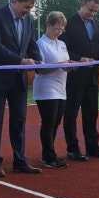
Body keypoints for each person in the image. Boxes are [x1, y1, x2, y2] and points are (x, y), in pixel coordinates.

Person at [0, 0, 42, 177]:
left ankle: (20, 160)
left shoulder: (29, 20)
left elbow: (31, 42)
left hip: (19, 79)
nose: (28, 12)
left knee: (19, 121)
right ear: (14, 1)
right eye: (26, 7)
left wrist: (39, 61)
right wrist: (20, 61)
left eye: (31, 8)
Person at [60, 0, 99, 161]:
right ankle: (72, 149)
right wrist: (79, 59)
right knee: (71, 114)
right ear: (83, 4)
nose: (92, 14)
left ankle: (93, 147)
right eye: (90, 10)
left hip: (92, 78)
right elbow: (62, 49)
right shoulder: (68, 23)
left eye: (96, 11)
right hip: (74, 77)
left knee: (91, 113)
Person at [33, 11, 75, 169]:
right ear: (48, 25)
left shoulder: (62, 44)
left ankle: (47, 153)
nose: (59, 32)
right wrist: (61, 65)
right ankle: (49, 156)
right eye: (57, 28)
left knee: (56, 122)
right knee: (49, 123)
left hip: (61, 88)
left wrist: (72, 66)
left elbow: (64, 65)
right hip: (46, 88)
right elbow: (40, 69)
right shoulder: (40, 44)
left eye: (62, 29)